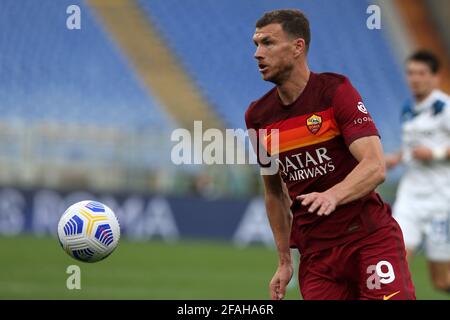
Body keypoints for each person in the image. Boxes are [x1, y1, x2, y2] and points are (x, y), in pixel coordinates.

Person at [245, 9, 415, 300]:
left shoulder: (335, 92)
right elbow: (274, 193)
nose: (258, 54)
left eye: (268, 43)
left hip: (369, 239)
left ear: (298, 47)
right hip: (317, 257)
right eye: (256, 44)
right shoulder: (257, 117)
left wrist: (332, 195)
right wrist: (285, 261)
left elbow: (375, 166)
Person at [386, 50, 450, 293]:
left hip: (440, 204)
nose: (415, 78)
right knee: (394, 266)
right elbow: (411, 145)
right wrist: (396, 158)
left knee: (442, 282)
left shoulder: (444, 108)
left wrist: (435, 154)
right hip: (409, 200)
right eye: (411, 73)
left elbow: (430, 149)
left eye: (421, 73)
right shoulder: (407, 108)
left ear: (435, 77)